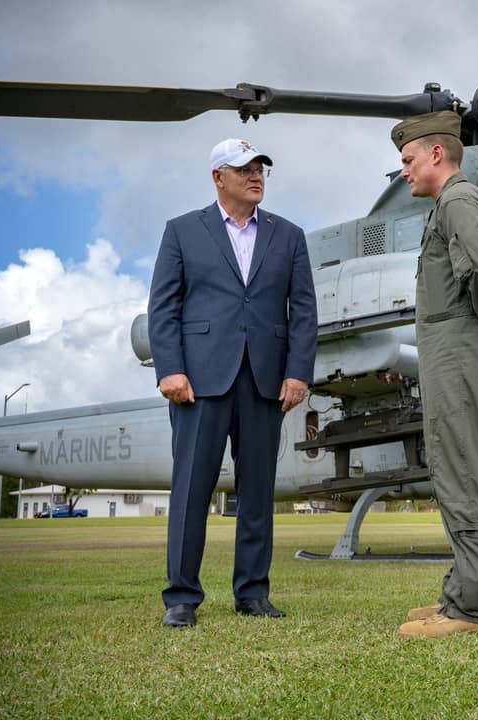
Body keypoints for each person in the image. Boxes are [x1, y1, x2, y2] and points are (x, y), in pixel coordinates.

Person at [148, 138, 317, 628]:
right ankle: (181, 597)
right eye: (243, 169)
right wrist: (170, 369)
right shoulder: (182, 231)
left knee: (258, 491)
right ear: (218, 177)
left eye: (260, 167)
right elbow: (164, 308)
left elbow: (303, 312)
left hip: (266, 381)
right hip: (198, 381)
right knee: (191, 491)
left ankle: (253, 593)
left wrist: (298, 371)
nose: (255, 175)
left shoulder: (289, 235)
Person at [390, 111, 478, 639]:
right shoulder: (451, 204)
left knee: (466, 471)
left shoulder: (459, 200)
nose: (403, 171)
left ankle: (470, 608)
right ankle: (458, 593)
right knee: (454, 467)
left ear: (436, 154)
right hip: (454, 349)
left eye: (408, 159)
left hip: (459, 351)